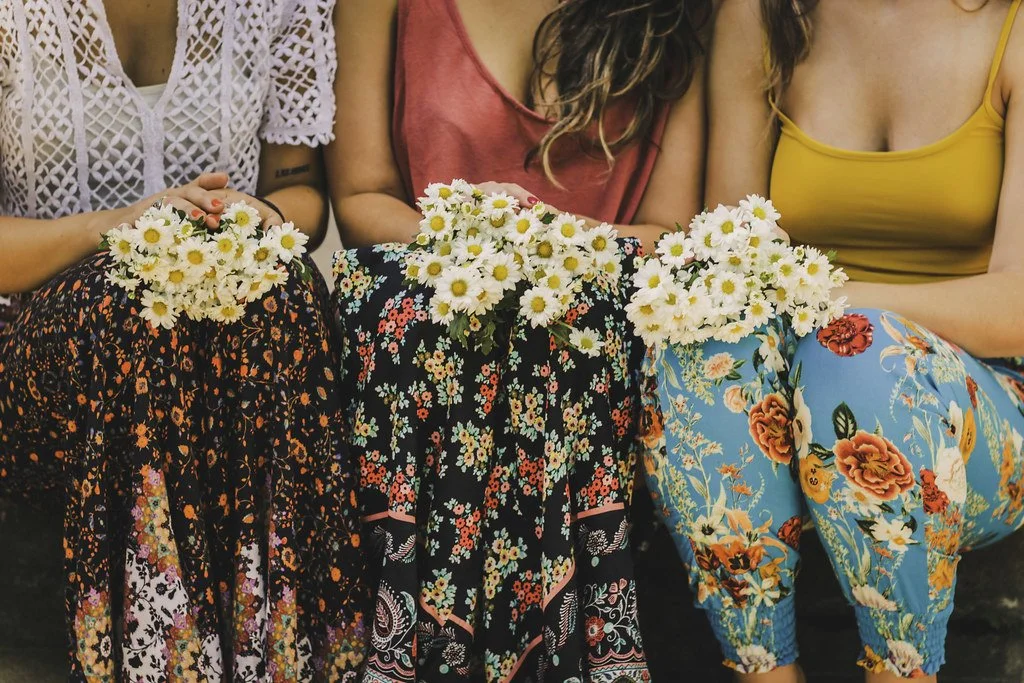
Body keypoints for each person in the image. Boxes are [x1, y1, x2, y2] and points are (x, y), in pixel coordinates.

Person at [328, 0, 710, 679]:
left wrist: (550, 249)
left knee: (548, 339)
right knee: (431, 324)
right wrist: (480, 241)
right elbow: (362, 197)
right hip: (430, 304)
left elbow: (672, 231)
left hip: (590, 320)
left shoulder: (673, 15)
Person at [644, 0, 1024, 681]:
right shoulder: (765, 17)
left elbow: (1017, 305)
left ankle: (901, 672)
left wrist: (833, 304)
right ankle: (765, 671)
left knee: (856, 351)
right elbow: (730, 262)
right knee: (696, 342)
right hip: (798, 394)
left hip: (985, 408)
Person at [0, 1, 366, 679]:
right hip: (44, 350)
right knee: (138, 311)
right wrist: (120, 228)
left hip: (224, 331)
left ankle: (287, 658)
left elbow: (300, 190)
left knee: (281, 287)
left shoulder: (276, 8)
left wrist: (263, 215)